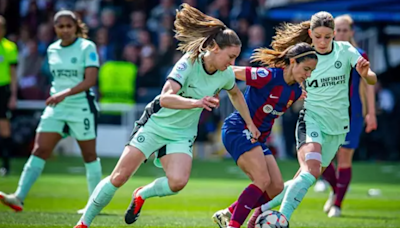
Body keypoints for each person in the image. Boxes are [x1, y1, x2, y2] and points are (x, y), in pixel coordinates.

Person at [74, 4, 260, 228]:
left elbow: (236, 94)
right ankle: (83, 224)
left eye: (235, 58)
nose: (232, 64)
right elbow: (165, 98)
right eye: (230, 57)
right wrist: (197, 102)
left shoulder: (225, 74)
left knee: (178, 182)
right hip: (155, 125)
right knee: (119, 177)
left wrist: (250, 123)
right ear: (214, 48)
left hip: (182, 134)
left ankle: (142, 195)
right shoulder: (189, 63)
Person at [247, 11, 377, 227]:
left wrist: (366, 74)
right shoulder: (304, 56)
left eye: (327, 36)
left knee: (306, 178)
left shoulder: (345, 50)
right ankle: (282, 219)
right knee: (310, 171)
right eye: (318, 36)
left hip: (337, 127)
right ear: (310, 34)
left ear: (335, 34)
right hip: (311, 120)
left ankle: (259, 210)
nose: (323, 41)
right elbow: (281, 77)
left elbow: (371, 79)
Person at [0, 10, 102, 214]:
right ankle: (19, 197)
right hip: (56, 107)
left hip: (80, 106)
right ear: (54, 28)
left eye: (68, 26)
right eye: (60, 26)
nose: (65, 30)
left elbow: (90, 80)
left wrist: (63, 94)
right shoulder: (52, 49)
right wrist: (58, 96)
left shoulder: (86, 47)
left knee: (89, 155)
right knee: (39, 150)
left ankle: (94, 205)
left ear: (76, 27)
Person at [212, 42, 318, 228]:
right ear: (293, 62)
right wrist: (210, 76)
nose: (308, 75)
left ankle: (228, 213)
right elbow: (232, 71)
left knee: (276, 187)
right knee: (261, 180)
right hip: (238, 129)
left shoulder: (294, 90)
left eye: (311, 71)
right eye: (306, 69)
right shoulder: (268, 75)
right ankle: (233, 225)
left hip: (256, 138)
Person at [318, 14, 377, 218]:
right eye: (338, 30)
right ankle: (336, 190)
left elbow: (368, 85)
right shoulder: (323, 53)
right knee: (321, 161)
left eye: (345, 30)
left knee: (344, 157)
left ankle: (337, 204)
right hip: (325, 113)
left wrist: (371, 113)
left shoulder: (358, 54)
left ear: (352, 32)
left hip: (352, 113)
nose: (341, 34)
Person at [0, 15, 18, 176]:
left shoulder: (10, 47)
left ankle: (6, 165)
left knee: (4, 128)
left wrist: (13, 95)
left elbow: (13, 73)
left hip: (3, 90)